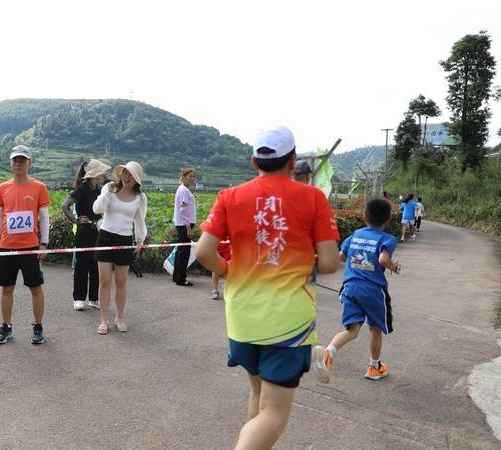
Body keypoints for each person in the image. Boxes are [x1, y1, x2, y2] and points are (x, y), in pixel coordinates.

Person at [195, 126, 340, 449]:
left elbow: (203, 252)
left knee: (258, 394)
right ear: (292, 162)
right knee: (273, 413)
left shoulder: (229, 197)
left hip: (242, 319)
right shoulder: (313, 197)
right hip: (289, 323)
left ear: (254, 162)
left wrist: (229, 269)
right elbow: (329, 263)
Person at [312, 197, 401, 383]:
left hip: (350, 288)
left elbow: (340, 257)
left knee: (352, 329)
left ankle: (328, 352)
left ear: (364, 216)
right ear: (388, 219)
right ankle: (374, 367)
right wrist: (394, 267)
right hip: (373, 291)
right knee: (375, 329)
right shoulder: (387, 238)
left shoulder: (356, 234)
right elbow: (383, 260)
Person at [0, 145, 50, 345]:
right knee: (7, 288)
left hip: (31, 247)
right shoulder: (2, 187)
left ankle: (38, 326)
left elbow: (44, 217)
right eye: (15, 160)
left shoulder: (39, 187)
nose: (18, 164)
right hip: (7, 246)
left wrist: (44, 243)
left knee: (35, 288)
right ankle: (6, 326)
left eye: (22, 160)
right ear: (10, 163)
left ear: (29, 163)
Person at [92, 161, 147, 335]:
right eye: (124, 173)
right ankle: (103, 320)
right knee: (105, 281)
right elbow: (97, 208)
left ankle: (120, 318)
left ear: (137, 179)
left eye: (130, 174)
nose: (126, 177)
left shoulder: (140, 197)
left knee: (121, 281)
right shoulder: (109, 188)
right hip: (105, 237)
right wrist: (106, 194)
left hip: (125, 239)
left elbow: (139, 221)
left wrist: (140, 241)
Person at [62, 159, 110, 311]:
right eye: (101, 172)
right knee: (82, 265)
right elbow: (65, 205)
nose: (104, 174)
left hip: (98, 231)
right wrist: (76, 220)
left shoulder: (99, 189)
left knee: (97, 265)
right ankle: (78, 298)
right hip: (84, 232)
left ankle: (94, 298)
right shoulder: (81, 189)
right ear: (94, 174)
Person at [172, 168, 197, 286]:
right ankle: (181, 278)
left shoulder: (182, 189)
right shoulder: (184, 191)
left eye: (193, 176)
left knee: (180, 251)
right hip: (184, 224)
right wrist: (188, 228)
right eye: (190, 176)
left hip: (181, 223)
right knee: (184, 252)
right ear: (184, 176)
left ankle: (176, 276)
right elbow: (183, 210)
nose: (192, 178)